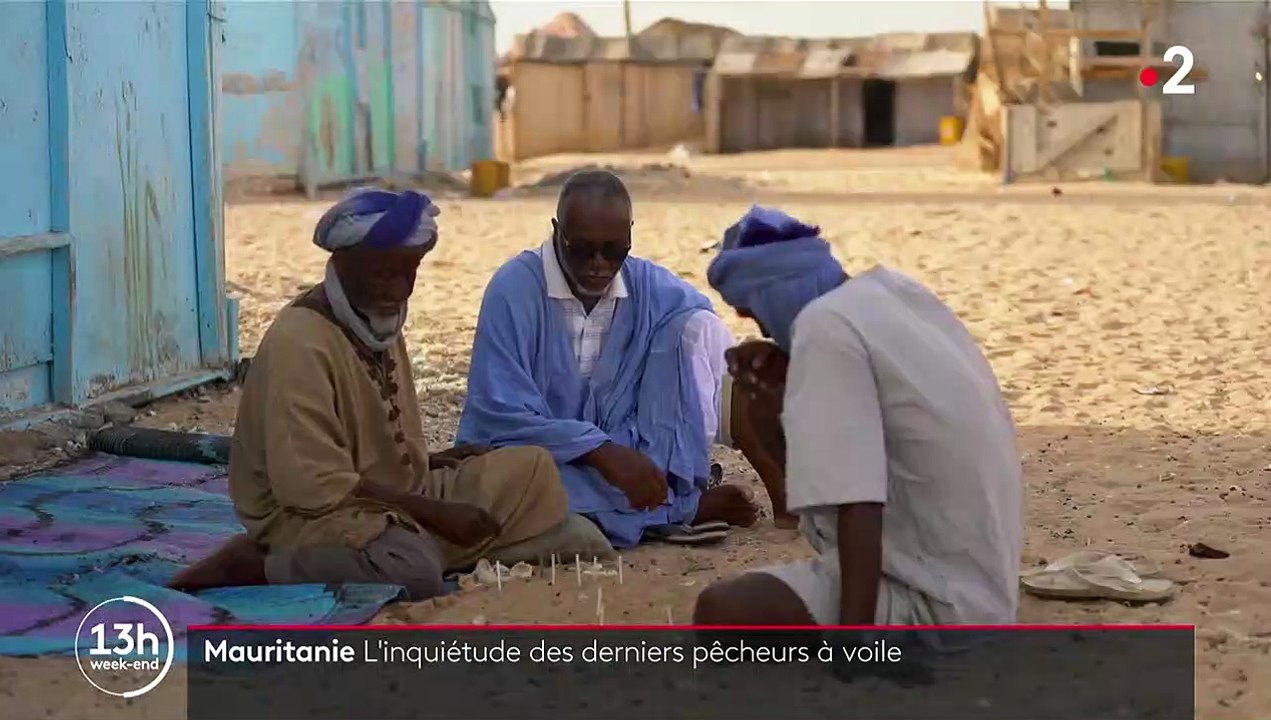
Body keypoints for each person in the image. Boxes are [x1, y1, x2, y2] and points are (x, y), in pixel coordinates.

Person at [169, 188, 604, 601]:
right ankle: (259, 563)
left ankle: (436, 546)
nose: (397, 289)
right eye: (383, 273)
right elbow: (311, 486)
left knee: (533, 467)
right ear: (342, 264)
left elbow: (380, 443)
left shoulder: (375, 320)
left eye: (408, 273)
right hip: (306, 515)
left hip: (388, 498)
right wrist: (435, 513)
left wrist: (432, 461)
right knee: (412, 571)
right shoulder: (300, 342)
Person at [692, 206, 1023, 626]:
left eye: (750, 309)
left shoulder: (825, 326)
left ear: (770, 293)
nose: (753, 326)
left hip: (935, 602)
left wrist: (856, 648)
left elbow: (858, 503)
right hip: (987, 591)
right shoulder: (893, 291)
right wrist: (773, 403)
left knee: (721, 610)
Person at [456, 170, 788, 549]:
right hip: (541, 461)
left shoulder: (648, 286)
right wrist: (599, 451)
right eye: (582, 250)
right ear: (556, 231)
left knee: (692, 328)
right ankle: (679, 509)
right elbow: (499, 414)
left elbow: (711, 348)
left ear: (630, 236)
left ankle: (653, 503)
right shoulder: (513, 290)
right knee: (508, 491)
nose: (598, 264)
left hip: (628, 460)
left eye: (614, 250)